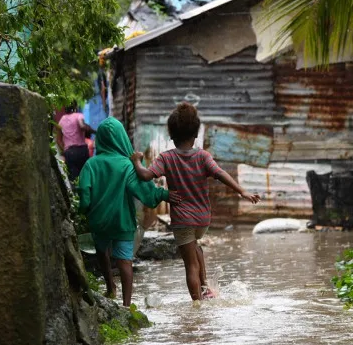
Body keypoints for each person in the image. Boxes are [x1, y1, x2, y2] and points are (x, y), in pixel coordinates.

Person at [131, 102, 260, 301]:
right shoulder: (203, 156)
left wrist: (136, 161)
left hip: (183, 220)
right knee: (196, 247)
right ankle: (206, 288)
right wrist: (242, 191)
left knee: (190, 264)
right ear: (196, 134)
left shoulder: (166, 158)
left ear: (171, 136)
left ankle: (197, 306)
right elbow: (220, 173)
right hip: (202, 219)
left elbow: (146, 175)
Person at [79, 117, 181, 307]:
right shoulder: (127, 166)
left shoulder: (90, 165)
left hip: (99, 222)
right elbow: (147, 194)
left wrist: (85, 211)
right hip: (122, 222)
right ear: (121, 139)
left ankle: (110, 288)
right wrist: (165, 195)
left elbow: (84, 195)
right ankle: (126, 305)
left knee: (102, 251)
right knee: (124, 262)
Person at [56, 103, 93, 181]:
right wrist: (92, 130)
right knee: (85, 176)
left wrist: (65, 149)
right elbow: (82, 126)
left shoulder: (62, 119)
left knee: (74, 178)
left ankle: (76, 192)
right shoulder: (78, 115)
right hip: (81, 150)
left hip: (69, 152)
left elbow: (58, 139)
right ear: (75, 107)